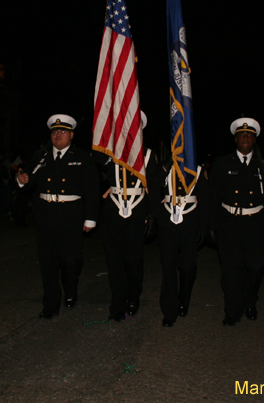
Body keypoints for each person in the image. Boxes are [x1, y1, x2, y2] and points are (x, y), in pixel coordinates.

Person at [17, 115, 100, 319]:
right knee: (48, 261)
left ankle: (70, 291)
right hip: (45, 213)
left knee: (70, 261)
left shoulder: (82, 157)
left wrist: (91, 218)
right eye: (54, 132)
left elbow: (92, 190)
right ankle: (50, 304)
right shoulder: (41, 155)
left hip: (71, 214)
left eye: (62, 132)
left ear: (71, 134)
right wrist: (21, 180)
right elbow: (29, 179)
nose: (58, 135)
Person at [209, 118, 264, 326]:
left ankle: (250, 301)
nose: (245, 137)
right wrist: (210, 226)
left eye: (249, 135)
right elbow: (213, 197)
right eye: (242, 134)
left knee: (256, 267)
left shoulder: (263, 165)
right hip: (229, 223)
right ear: (236, 139)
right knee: (230, 270)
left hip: (255, 223)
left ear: (254, 140)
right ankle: (232, 310)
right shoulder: (222, 163)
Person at [94, 112, 159, 323]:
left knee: (133, 260)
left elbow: (155, 189)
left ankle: (133, 296)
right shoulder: (109, 152)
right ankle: (117, 303)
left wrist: (152, 216)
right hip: (113, 209)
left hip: (137, 209)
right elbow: (97, 157)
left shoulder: (148, 155)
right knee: (114, 261)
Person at [154, 145, 208, 328]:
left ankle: (184, 300)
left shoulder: (198, 169)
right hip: (167, 220)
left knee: (187, 267)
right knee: (168, 266)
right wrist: (165, 167)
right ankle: (169, 310)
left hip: (190, 219)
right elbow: (152, 185)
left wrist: (203, 228)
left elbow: (205, 199)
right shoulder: (165, 167)